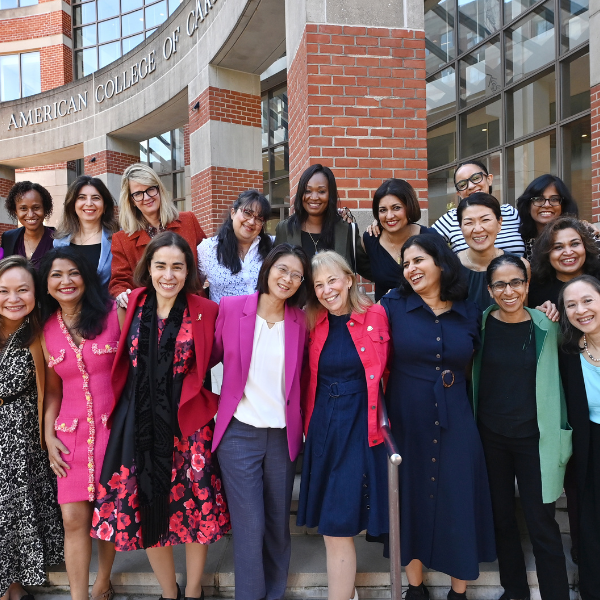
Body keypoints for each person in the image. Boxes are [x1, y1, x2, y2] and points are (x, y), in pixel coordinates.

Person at [91, 232, 229, 600]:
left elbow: (215, 358)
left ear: (189, 271)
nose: (169, 274)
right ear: (148, 268)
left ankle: (195, 589)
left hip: (188, 425)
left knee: (196, 510)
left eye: (177, 267)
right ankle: (170, 593)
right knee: (147, 505)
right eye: (161, 265)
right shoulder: (129, 303)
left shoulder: (207, 310)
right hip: (138, 422)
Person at [380, 234, 495, 599]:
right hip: (406, 419)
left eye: (418, 261)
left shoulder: (470, 310)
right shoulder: (392, 305)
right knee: (409, 497)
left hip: (457, 418)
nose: (410, 269)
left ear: (442, 262)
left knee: (459, 498)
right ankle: (415, 588)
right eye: (406, 264)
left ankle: (458, 590)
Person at [210, 243, 310, 600]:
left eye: (296, 274)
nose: (288, 279)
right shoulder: (232, 308)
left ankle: (275, 593)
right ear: (267, 269)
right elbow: (205, 358)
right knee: (250, 526)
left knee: (277, 526)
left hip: (283, 437)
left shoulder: (302, 320)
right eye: (282, 269)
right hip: (239, 433)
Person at [472, 254, 571, 600]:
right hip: (491, 438)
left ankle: (556, 593)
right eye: (500, 283)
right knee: (501, 519)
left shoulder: (547, 324)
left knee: (542, 523)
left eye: (516, 282)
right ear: (489, 289)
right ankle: (514, 591)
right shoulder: (481, 324)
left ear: (528, 285)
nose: (509, 290)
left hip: (535, 440)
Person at [297, 251, 389, 600]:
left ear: (350, 278)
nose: (326, 290)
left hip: (360, 427)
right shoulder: (312, 320)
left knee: (342, 521)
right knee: (334, 526)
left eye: (332, 280)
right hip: (324, 427)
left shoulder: (376, 315)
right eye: (318, 285)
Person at [39, 248, 119, 600]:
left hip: (112, 431)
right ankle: (78, 596)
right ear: (47, 284)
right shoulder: (44, 329)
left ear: (86, 277)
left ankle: (103, 579)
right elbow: (53, 389)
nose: (65, 281)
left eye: (73, 273)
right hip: (70, 436)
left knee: (107, 516)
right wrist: (48, 433)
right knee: (73, 519)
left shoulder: (114, 314)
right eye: (56, 275)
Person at [0, 256, 63, 600]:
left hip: (22, 433)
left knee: (14, 510)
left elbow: (53, 388)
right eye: (4, 291)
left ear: (35, 293)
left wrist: (50, 432)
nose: (13, 298)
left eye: (22, 289)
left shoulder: (41, 332)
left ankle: (12, 584)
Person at [110, 163, 206, 307]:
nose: (147, 197)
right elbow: (119, 281)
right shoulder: (122, 239)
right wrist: (121, 293)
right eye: (138, 193)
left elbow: (208, 261)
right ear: (131, 200)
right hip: (151, 313)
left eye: (150, 189)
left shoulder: (188, 221)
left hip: (192, 306)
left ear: (159, 189)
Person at [558, 275, 600, 600]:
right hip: (589, 445)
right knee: (590, 523)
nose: (580, 310)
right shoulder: (569, 351)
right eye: (571, 305)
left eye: (588, 300)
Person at [274, 164, 371, 279]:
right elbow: (274, 272)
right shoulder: (284, 229)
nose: (314, 197)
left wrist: (383, 231)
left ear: (330, 194)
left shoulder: (346, 230)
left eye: (321, 191)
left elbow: (371, 270)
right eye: (308, 191)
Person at [362, 178, 438, 301]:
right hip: (386, 317)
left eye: (396, 208)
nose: (389, 216)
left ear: (409, 207)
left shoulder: (430, 237)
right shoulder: (371, 239)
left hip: (425, 315)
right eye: (383, 210)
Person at [432, 160, 525, 255]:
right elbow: (423, 245)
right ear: (459, 193)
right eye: (462, 184)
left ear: (489, 179)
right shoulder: (452, 218)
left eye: (476, 178)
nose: (471, 186)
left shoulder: (510, 213)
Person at [197, 190, 273, 304]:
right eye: (247, 212)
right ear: (233, 213)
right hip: (226, 320)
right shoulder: (208, 249)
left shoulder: (272, 245)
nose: (252, 221)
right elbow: (194, 288)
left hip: (264, 320)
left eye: (259, 218)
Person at [456, 193, 529, 312]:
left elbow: (525, 312)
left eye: (485, 220)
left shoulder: (521, 265)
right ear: (460, 227)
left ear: (499, 223)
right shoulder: (449, 268)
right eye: (469, 222)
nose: (478, 229)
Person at [53, 176, 119, 289]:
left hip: (107, 305)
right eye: (82, 198)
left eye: (96, 198)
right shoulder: (59, 243)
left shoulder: (118, 239)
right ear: (73, 205)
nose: (89, 203)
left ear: (105, 205)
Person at [528, 216, 600, 310]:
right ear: (547, 253)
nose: (568, 252)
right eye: (558, 247)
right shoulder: (535, 289)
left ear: (586, 247)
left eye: (574, 244)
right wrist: (539, 317)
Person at [516, 175, 579, 261]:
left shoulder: (582, 238)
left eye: (554, 199)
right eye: (538, 199)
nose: (546, 205)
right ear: (527, 207)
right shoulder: (519, 244)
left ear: (563, 205)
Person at [1, 181, 55, 268]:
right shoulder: (8, 238)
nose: (30, 214)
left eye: (36, 207)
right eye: (23, 208)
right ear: (16, 211)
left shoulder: (60, 240)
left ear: (45, 209)